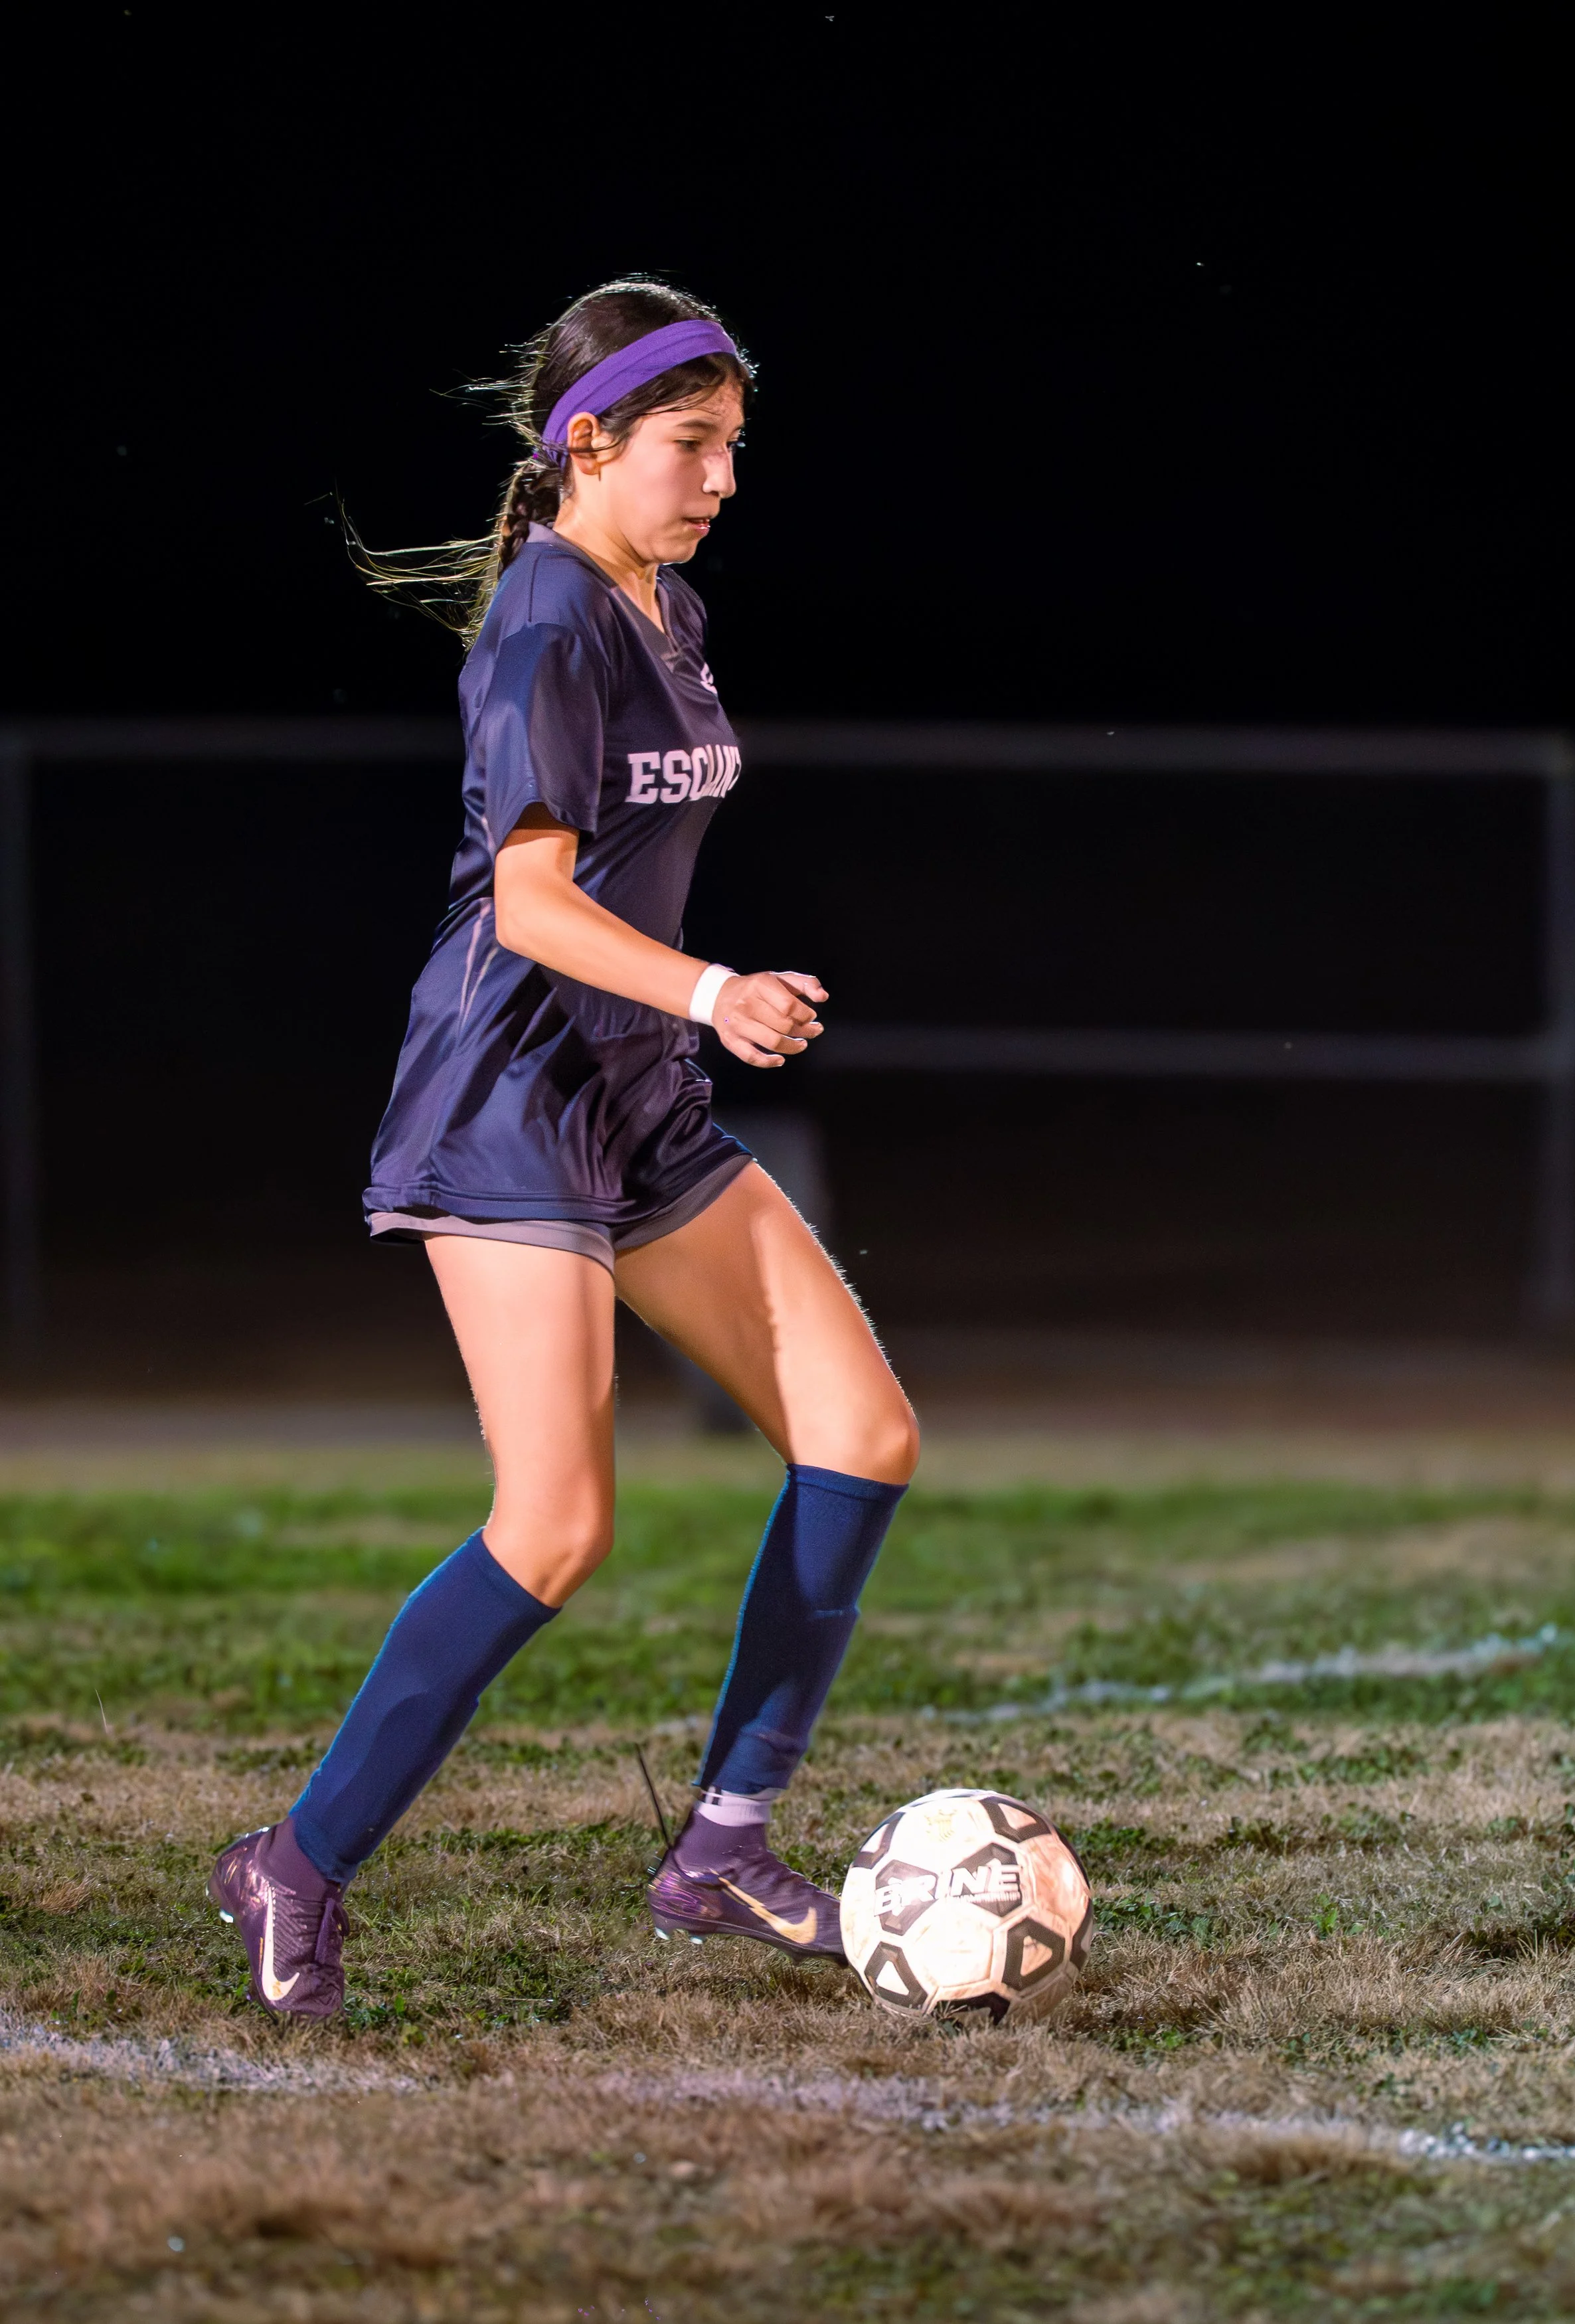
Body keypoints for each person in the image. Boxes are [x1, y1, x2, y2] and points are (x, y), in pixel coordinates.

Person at [208, 280, 919, 2020]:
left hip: (635, 1096)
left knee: (863, 1432)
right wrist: (710, 987)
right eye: (692, 446)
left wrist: (683, 1016)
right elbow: (527, 902)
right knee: (555, 1524)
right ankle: (293, 1862)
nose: (721, 480)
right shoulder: (545, 625)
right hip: (508, 1099)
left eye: (733, 449)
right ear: (586, 441)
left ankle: (721, 1844)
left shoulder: (658, 604)